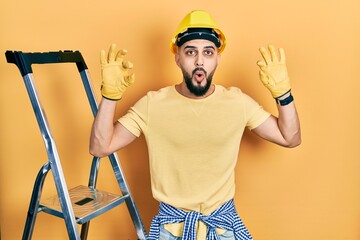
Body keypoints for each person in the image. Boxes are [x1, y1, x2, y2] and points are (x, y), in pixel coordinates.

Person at [90, 10, 301, 240]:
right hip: (171, 229)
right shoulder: (153, 105)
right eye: (191, 52)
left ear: (217, 59)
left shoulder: (237, 103)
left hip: (222, 226)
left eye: (208, 52)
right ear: (177, 57)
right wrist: (110, 96)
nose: (200, 61)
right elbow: (100, 147)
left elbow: (290, 137)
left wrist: (284, 93)